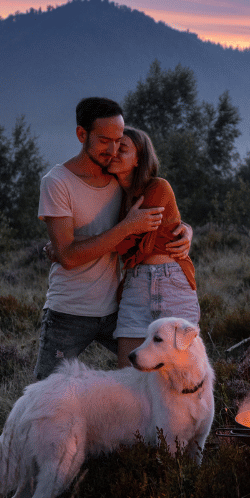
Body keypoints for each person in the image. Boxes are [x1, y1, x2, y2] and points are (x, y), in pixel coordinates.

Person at [34, 96, 191, 380]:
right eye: (105, 140)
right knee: (47, 388)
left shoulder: (118, 180)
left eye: (119, 140)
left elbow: (154, 214)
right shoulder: (57, 183)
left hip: (118, 308)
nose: (113, 149)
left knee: (146, 378)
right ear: (82, 135)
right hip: (69, 312)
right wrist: (128, 226)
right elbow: (68, 256)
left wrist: (184, 230)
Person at [106, 126, 200, 367]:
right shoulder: (114, 196)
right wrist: (127, 232)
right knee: (128, 370)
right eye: (113, 146)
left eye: (123, 148)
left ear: (139, 159)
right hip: (136, 286)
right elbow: (130, 244)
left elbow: (139, 245)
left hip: (172, 283)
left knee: (182, 370)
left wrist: (121, 234)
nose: (114, 152)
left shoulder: (158, 187)